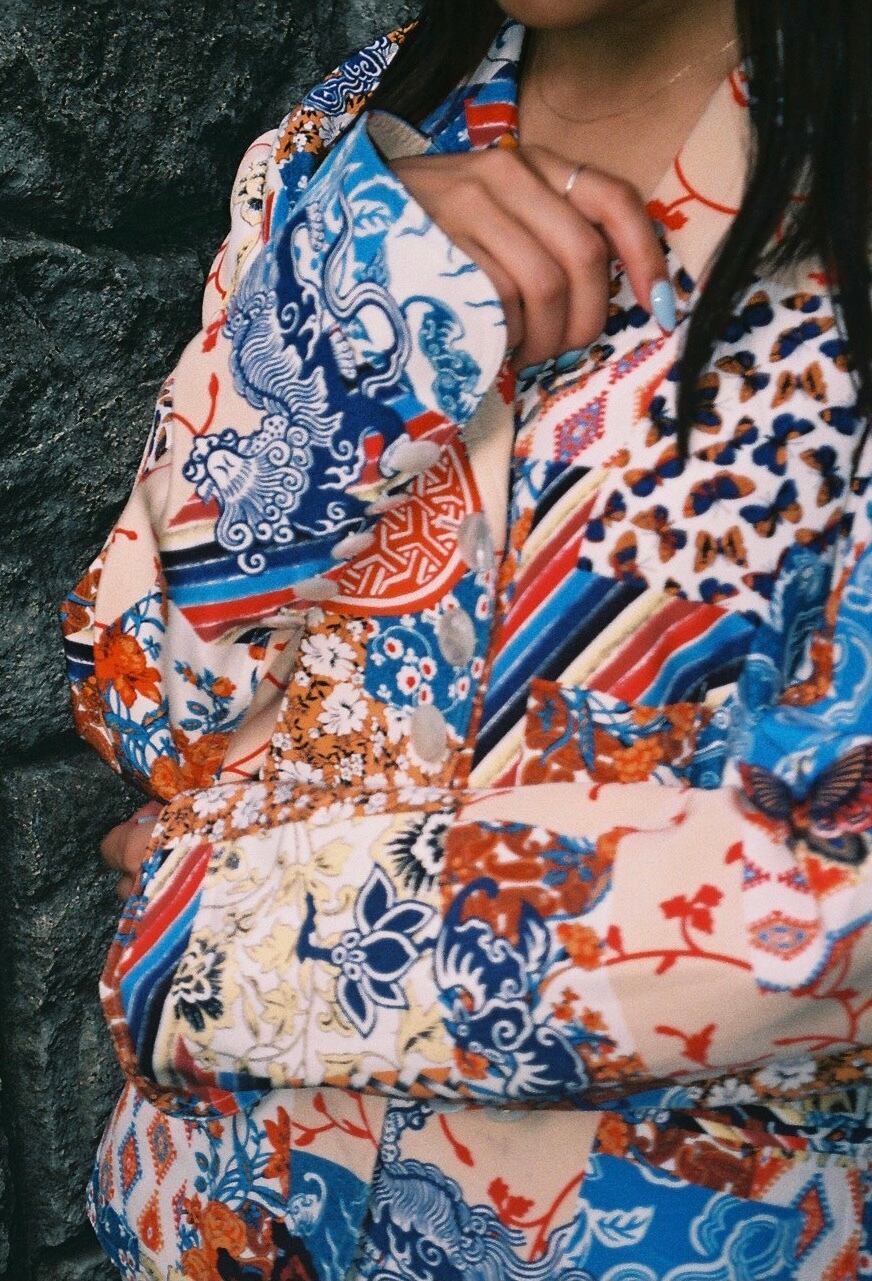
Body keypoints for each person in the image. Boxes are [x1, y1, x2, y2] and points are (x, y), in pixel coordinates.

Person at [61, 1, 872, 1277]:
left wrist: (215, 935)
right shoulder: (351, 136)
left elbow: (836, 904)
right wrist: (350, 322)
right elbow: (148, 707)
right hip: (222, 1220)